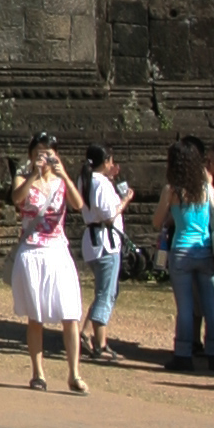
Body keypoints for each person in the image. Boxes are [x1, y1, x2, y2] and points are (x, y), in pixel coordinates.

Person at [9, 133, 88, 393]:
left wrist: (63, 174)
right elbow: (16, 198)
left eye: (49, 152)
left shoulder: (62, 182)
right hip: (32, 251)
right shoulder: (24, 179)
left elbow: (78, 205)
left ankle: (74, 373)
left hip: (57, 250)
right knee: (36, 316)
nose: (45, 157)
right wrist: (35, 174)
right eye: (40, 153)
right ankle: (38, 373)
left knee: (70, 313)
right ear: (31, 156)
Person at [150, 141, 214, 371]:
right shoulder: (207, 188)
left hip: (181, 250)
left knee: (186, 307)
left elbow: (156, 221)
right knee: (210, 304)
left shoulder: (172, 190)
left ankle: (183, 354)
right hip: (205, 250)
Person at [78, 141, 128, 363]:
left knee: (105, 290)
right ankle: (100, 342)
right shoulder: (100, 183)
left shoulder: (86, 179)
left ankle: (87, 331)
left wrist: (111, 180)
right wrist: (125, 200)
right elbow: (109, 215)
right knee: (106, 293)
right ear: (105, 162)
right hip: (106, 242)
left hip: (93, 241)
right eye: (110, 161)